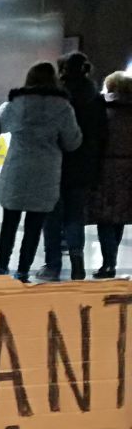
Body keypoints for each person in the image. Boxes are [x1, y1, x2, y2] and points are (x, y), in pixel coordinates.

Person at [0, 63, 82, 282]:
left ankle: (1, 267)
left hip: (17, 167)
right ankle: (23, 270)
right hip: (46, 171)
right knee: (34, 225)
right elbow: (73, 142)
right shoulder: (63, 107)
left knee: (9, 223)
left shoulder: (16, 103)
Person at [42, 52, 109, 281]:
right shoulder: (96, 98)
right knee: (75, 216)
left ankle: (52, 264)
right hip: (83, 164)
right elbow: (102, 133)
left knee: (52, 216)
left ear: (63, 70)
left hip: (56, 163)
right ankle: (78, 263)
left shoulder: (58, 96)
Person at [89, 71, 132, 277]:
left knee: (105, 216)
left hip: (105, 167)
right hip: (129, 168)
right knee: (120, 216)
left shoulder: (102, 111)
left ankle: (108, 263)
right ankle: (111, 260)